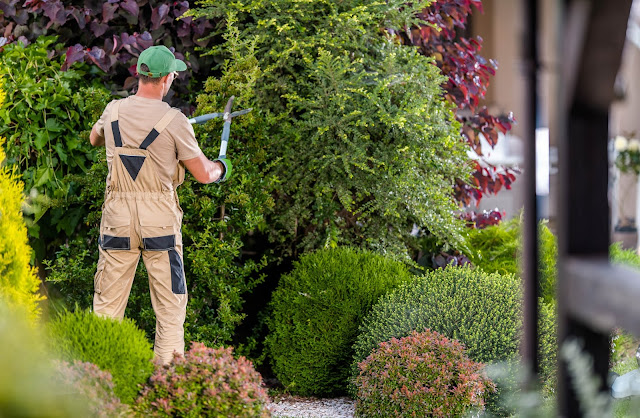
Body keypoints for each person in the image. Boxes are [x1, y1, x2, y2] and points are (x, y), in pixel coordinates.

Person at [88, 45, 230, 364]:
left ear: (139, 75)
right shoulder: (175, 120)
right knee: (170, 308)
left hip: (117, 220)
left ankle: (98, 391)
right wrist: (223, 166)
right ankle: (165, 389)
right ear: (166, 79)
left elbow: (94, 139)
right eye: (173, 76)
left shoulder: (112, 111)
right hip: (160, 224)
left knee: (106, 309)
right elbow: (205, 174)